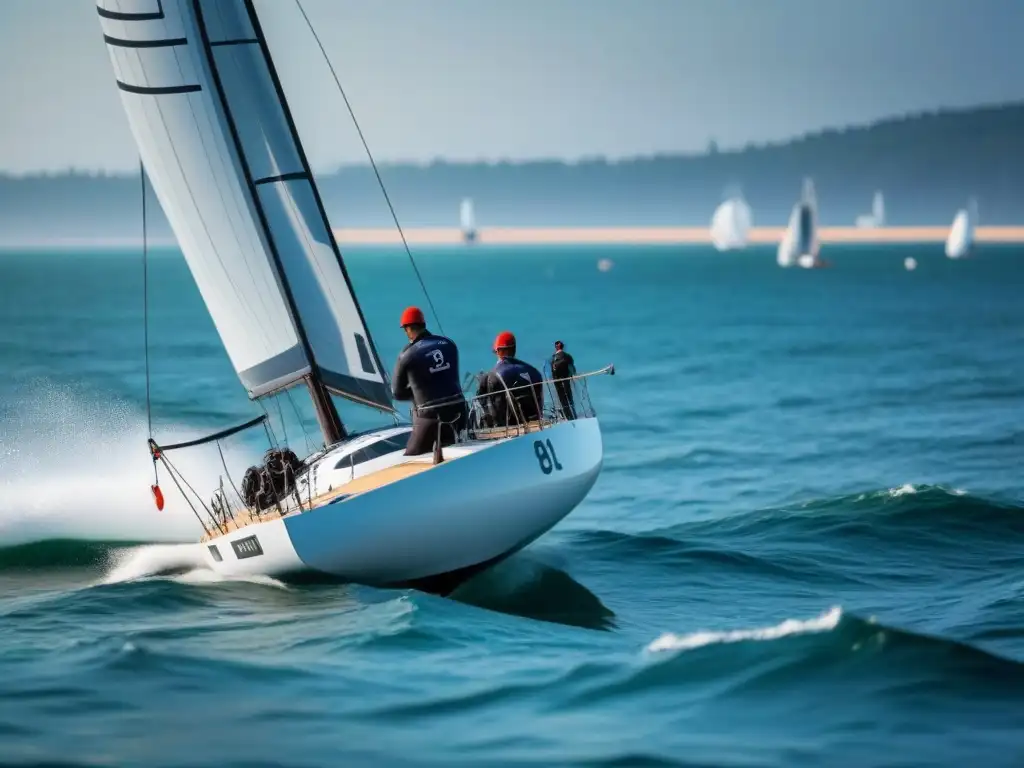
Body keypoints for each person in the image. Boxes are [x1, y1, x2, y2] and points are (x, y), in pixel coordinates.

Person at [391, 306, 468, 455]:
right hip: (459, 412)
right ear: (424, 324)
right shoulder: (449, 343)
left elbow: (397, 393)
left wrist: (416, 392)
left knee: (410, 458)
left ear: (407, 329)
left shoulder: (407, 354)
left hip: (430, 418)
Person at [476, 331, 544, 427]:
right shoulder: (534, 371)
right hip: (535, 424)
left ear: (499, 351)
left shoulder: (493, 374)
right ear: (514, 349)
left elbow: (484, 402)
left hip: (507, 427)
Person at [550, 340, 577, 420]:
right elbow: (572, 370)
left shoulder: (553, 358)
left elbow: (551, 372)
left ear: (556, 347)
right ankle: (573, 416)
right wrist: (571, 375)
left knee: (562, 400)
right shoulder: (568, 356)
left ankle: (567, 417)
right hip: (565, 381)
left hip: (557, 382)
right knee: (569, 399)